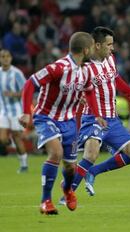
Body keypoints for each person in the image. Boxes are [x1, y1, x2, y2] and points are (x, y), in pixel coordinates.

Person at [19, 32, 106, 215]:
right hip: (46, 117)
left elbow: (89, 91)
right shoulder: (58, 68)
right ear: (85, 49)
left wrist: (97, 114)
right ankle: (46, 201)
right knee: (56, 153)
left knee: (70, 167)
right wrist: (27, 112)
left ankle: (67, 189)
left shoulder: (85, 71)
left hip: (69, 121)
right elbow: (30, 84)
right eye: (91, 47)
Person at [69, 27, 130, 197]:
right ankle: (68, 192)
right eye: (109, 45)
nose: (112, 48)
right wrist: (78, 96)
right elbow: (72, 87)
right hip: (93, 118)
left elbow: (116, 79)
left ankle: (93, 172)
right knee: (91, 153)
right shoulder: (84, 67)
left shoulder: (110, 59)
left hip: (112, 119)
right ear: (98, 45)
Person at [0, 49, 28, 173]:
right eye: (2, 56)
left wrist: (13, 94)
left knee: (17, 138)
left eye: (7, 56)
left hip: (17, 110)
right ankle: (10, 143)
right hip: (4, 111)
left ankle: (24, 165)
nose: (5, 58)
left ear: (11, 58)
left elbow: (25, 91)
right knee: (2, 139)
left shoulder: (17, 73)